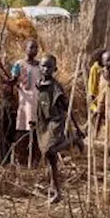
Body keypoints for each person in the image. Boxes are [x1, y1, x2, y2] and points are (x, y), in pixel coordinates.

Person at [35, 55, 84, 204]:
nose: (46, 69)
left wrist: (77, 128)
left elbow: (66, 107)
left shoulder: (56, 87)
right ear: (39, 67)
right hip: (44, 122)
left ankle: (73, 140)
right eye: (43, 66)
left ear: (54, 69)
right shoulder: (39, 83)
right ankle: (57, 192)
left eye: (49, 67)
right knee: (50, 158)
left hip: (55, 121)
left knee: (51, 150)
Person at [11, 40, 42, 153]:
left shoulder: (40, 65)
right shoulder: (19, 64)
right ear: (26, 49)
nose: (34, 50)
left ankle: (35, 154)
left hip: (38, 100)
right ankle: (22, 153)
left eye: (36, 48)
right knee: (24, 126)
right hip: (25, 101)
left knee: (37, 127)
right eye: (31, 47)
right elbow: (14, 79)